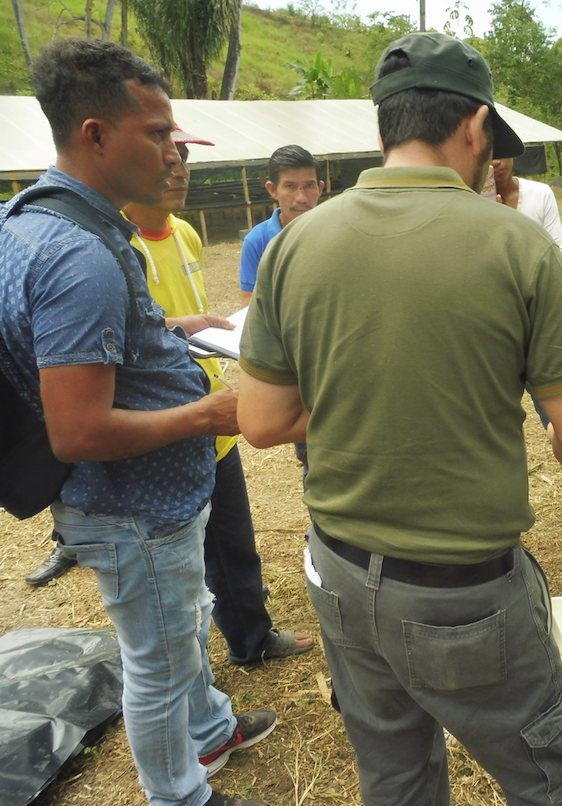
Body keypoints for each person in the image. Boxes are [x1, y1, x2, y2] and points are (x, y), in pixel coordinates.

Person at [236, 31, 562, 806]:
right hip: (463, 594)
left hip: (337, 574)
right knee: (545, 778)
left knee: (397, 777)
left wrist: (362, 403)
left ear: (382, 129)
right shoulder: (516, 245)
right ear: (474, 128)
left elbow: (264, 422)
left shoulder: (295, 242)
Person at [0, 39, 274, 806]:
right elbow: (78, 431)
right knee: (155, 660)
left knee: (183, 628)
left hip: (138, 504)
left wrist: (167, 330)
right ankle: (180, 792)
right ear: (95, 135)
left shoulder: (27, 218)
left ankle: (210, 728)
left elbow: (67, 342)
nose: (172, 149)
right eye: (156, 133)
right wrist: (211, 411)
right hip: (132, 508)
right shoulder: (78, 254)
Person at [122, 128, 315, 665]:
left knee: (233, 543)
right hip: (166, 426)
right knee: (176, 565)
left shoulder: (184, 233)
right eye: (167, 156)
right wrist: (182, 330)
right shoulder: (115, 246)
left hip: (212, 411)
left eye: (183, 157)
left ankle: (251, 640)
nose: (179, 168)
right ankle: (188, 677)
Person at [491, 156, 562, 524]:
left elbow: (556, 254)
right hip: (490, 333)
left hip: (534, 330)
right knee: (492, 425)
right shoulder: (467, 198)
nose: (496, 163)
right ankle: (497, 505)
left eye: (503, 154)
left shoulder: (539, 195)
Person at [238, 144, 323, 305]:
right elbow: (249, 301)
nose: (301, 198)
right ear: (272, 190)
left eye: (309, 186)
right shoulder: (257, 241)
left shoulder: (336, 234)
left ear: (320, 188)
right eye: (290, 186)